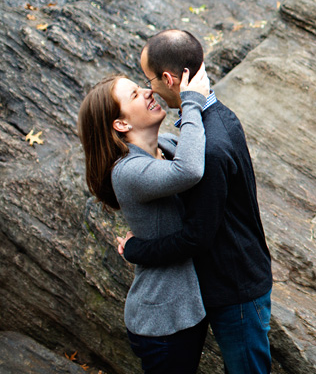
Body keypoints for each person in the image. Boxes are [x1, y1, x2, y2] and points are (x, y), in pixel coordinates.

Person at [120, 29, 273, 374]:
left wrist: (135, 250)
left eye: (149, 79)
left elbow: (197, 236)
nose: (149, 89)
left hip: (235, 289)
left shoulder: (209, 146)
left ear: (170, 79)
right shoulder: (218, 117)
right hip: (238, 276)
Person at [78, 64, 212, 374]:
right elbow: (190, 171)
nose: (149, 92)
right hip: (162, 323)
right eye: (135, 94)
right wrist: (191, 102)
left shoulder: (165, 146)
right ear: (121, 123)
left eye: (142, 87)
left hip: (185, 312)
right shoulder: (127, 172)